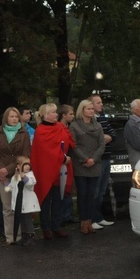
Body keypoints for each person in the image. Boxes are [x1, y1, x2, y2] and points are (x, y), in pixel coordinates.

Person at [32, 103, 73, 240]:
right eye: (54, 113)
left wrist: (66, 155)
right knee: (45, 200)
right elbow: (46, 151)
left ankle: (56, 226)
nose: (56, 115)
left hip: (59, 169)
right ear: (45, 115)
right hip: (45, 171)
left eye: (56, 112)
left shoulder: (60, 127)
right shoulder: (40, 131)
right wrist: (62, 158)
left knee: (58, 199)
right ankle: (46, 228)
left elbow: (68, 142)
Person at [0, 107, 31, 244]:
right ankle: (10, 237)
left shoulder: (24, 133)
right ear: (6, 118)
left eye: (16, 117)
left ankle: (20, 234)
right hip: (2, 175)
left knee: (18, 205)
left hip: (16, 174)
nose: (14, 119)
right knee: (7, 206)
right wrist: (1, 170)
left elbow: (25, 155)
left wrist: (7, 170)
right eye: (11, 116)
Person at [70, 99, 105, 235]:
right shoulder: (74, 126)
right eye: (88, 109)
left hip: (95, 164)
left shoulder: (98, 126)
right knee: (82, 193)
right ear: (82, 110)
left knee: (92, 194)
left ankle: (90, 221)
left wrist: (93, 159)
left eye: (92, 109)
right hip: (81, 164)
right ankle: (83, 221)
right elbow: (73, 145)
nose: (91, 111)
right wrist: (85, 159)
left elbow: (102, 144)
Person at [90, 94, 115, 230]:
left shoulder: (103, 120)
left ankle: (99, 217)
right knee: (95, 189)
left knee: (102, 190)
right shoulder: (90, 121)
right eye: (98, 102)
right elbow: (95, 140)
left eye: (101, 102)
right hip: (97, 159)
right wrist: (103, 138)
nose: (101, 105)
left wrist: (108, 137)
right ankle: (93, 217)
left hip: (106, 157)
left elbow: (113, 134)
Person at [5, 156, 40, 245]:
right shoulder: (15, 177)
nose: (28, 166)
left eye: (29, 164)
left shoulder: (30, 175)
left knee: (27, 219)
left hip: (27, 202)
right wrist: (6, 184)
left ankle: (31, 237)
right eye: (25, 164)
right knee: (22, 220)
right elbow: (11, 187)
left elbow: (31, 184)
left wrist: (24, 178)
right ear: (19, 166)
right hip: (19, 203)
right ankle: (24, 236)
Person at [58, 104, 76, 225]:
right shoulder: (59, 128)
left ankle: (67, 214)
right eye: (70, 114)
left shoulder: (67, 127)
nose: (73, 116)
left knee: (67, 187)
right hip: (62, 162)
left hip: (68, 161)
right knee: (62, 188)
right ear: (63, 115)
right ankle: (63, 216)